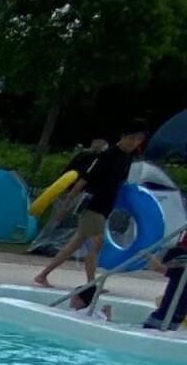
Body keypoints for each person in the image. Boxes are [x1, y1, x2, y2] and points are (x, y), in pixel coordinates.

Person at [35, 124, 149, 291]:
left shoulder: (128, 157)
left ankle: (43, 274)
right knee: (97, 243)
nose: (134, 142)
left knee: (74, 244)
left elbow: (120, 183)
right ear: (123, 136)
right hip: (92, 205)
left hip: (105, 206)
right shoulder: (106, 155)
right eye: (131, 138)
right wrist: (65, 204)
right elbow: (83, 180)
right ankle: (91, 284)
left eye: (138, 139)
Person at [141, 232, 187, 332]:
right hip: (177, 318)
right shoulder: (181, 271)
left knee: (147, 331)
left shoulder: (181, 269)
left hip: (162, 317)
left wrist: (147, 256)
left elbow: (159, 268)